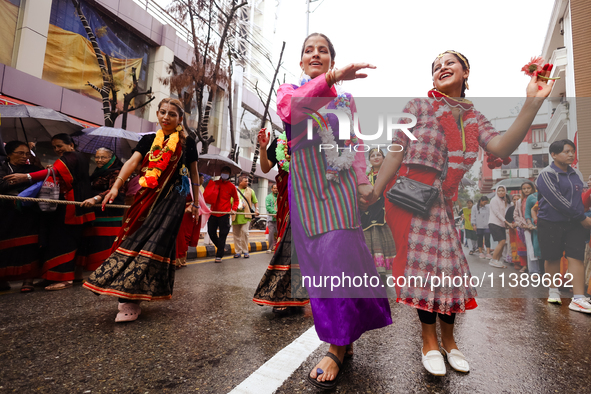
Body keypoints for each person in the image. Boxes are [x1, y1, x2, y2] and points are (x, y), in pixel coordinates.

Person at [372, 50, 554, 376]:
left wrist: (533, 102)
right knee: (426, 273)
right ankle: (429, 342)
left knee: (449, 274)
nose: (442, 68)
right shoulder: (418, 106)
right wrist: (374, 192)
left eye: (449, 62)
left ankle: (450, 341)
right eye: (436, 66)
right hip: (411, 200)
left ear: (466, 72)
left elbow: (500, 147)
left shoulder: (474, 118)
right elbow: (396, 152)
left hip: (442, 204)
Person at [277, 33, 392, 389]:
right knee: (321, 266)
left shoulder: (345, 99)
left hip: (338, 186)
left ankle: (336, 345)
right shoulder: (288, 89)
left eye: (323, 51)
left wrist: (362, 184)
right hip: (307, 188)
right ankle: (346, 335)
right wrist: (331, 78)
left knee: (338, 258)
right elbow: (291, 110)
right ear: (301, 62)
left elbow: (353, 144)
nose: (316, 54)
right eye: (309, 50)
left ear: (331, 58)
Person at [82, 98, 200, 322]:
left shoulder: (188, 143)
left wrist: (196, 202)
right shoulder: (148, 140)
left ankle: (132, 299)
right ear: (157, 114)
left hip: (173, 200)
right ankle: (126, 296)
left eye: (172, 114)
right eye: (163, 112)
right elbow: (132, 163)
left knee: (155, 245)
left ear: (180, 119)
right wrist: (116, 186)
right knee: (133, 239)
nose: (166, 117)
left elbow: (194, 173)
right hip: (146, 197)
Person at [5, 133, 95, 291]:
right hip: (63, 207)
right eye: (54, 147)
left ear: (71, 145)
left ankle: (64, 278)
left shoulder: (72, 156)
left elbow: (53, 172)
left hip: (71, 207)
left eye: (59, 145)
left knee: (64, 243)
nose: (57, 149)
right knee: (55, 241)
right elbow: (54, 172)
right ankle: (51, 276)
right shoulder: (73, 157)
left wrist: (25, 176)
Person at [535, 139, 591, 312]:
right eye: (566, 151)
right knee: (552, 257)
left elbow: (577, 199)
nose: (571, 155)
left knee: (576, 257)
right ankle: (553, 291)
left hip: (574, 223)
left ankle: (579, 298)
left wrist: (580, 216)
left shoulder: (577, 174)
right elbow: (557, 201)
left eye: (572, 151)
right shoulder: (546, 174)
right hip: (551, 222)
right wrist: (582, 217)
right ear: (554, 154)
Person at [0, 141, 43, 292]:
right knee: (5, 246)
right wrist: (24, 180)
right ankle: (3, 280)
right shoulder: (2, 168)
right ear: (9, 154)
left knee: (29, 245)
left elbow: (42, 182)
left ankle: (28, 280)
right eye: (20, 153)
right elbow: (2, 185)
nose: (24, 156)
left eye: (27, 153)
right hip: (5, 212)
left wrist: (35, 170)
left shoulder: (32, 169)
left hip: (28, 212)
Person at [77, 148, 126, 271]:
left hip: (110, 213)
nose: (99, 160)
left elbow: (113, 189)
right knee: (94, 242)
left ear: (112, 158)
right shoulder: (98, 171)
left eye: (103, 157)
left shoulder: (117, 172)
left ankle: (106, 272)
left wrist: (96, 198)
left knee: (105, 243)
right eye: (97, 157)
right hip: (96, 212)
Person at [361, 148, 396, 279]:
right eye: (372, 155)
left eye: (379, 155)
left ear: (384, 157)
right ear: (369, 160)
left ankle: (384, 273)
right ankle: (372, 272)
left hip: (384, 213)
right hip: (367, 215)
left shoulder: (390, 175)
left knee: (384, 241)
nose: (376, 157)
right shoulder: (365, 177)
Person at [204, 166, 239, 263]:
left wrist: (234, 209)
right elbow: (207, 196)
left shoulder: (232, 186)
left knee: (223, 234)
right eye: (223, 171)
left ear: (229, 174)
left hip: (225, 214)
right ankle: (221, 246)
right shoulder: (214, 183)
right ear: (220, 172)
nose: (225, 173)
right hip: (214, 213)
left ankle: (219, 255)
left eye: (227, 172)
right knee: (211, 232)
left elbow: (236, 199)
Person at [232, 175, 259, 258]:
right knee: (236, 234)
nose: (247, 182)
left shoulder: (250, 191)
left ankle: (245, 251)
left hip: (246, 215)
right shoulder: (234, 190)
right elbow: (231, 200)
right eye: (245, 181)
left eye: (247, 181)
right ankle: (238, 251)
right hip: (236, 215)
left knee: (244, 232)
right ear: (240, 182)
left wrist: (256, 209)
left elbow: (255, 201)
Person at [513, 181, 537, 273]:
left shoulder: (536, 198)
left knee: (534, 247)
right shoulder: (519, 201)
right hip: (523, 227)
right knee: (523, 248)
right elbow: (516, 215)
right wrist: (523, 224)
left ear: (532, 188)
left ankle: (537, 269)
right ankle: (525, 266)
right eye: (524, 189)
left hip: (534, 226)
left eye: (528, 188)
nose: (526, 190)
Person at [488, 186, 511, 268]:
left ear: (505, 192)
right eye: (499, 191)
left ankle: (497, 261)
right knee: (502, 242)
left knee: (502, 242)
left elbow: (503, 214)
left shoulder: (502, 201)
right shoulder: (494, 200)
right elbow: (497, 213)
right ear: (496, 192)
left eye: (503, 190)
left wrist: (505, 224)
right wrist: (506, 222)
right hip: (494, 223)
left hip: (501, 224)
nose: (501, 192)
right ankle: (493, 260)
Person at [524, 184, 542, 274]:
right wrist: (530, 223)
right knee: (537, 248)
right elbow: (527, 213)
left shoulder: (551, 194)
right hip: (536, 226)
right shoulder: (531, 197)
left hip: (550, 224)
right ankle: (539, 271)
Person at [506, 194, 523, 270]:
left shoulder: (523, 207)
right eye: (514, 199)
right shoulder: (510, 209)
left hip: (523, 229)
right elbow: (507, 220)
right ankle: (516, 262)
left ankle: (524, 263)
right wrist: (512, 225)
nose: (516, 201)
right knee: (514, 246)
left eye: (518, 199)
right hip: (513, 230)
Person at [265, 183, 279, 254]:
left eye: (277, 188)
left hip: (279, 218)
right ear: (271, 189)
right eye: (274, 188)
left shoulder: (280, 196)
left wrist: (278, 213)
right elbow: (268, 207)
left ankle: (278, 247)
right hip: (271, 218)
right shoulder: (268, 197)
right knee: (271, 233)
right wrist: (274, 213)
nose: (276, 190)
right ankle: (270, 248)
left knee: (279, 233)